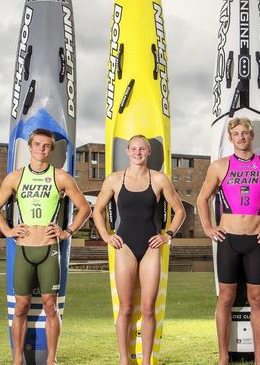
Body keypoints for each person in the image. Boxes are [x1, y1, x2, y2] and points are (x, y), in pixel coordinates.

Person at [0, 128, 91, 365]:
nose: (41, 149)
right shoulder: (15, 177)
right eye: (37, 145)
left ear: (50, 150)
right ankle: (17, 360)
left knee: (50, 306)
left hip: (49, 249)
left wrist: (67, 232)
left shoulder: (61, 177)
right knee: (21, 306)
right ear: (30, 147)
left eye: (46, 146)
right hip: (23, 248)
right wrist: (8, 231)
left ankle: (51, 359)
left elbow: (85, 208)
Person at [197, 117, 260, 365]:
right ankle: (223, 357)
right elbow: (201, 199)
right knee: (225, 298)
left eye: (245, 133)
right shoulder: (219, 166)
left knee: (257, 300)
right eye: (236, 133)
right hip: (228, 239)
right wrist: (208, 227)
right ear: (230, 138)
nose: (241, 137)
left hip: (256, 241)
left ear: (252, 136)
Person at [92, 134, 186, 365]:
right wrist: (106, 236)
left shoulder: (159, 179)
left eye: (142, 149)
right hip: (124, 246)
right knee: (125, 308)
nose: (138, 152)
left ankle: (146, 362)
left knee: (148, 309)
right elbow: (97, 211)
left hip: (151, 247)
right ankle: (124, 360)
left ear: (148, 152)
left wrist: (167, 236)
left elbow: (180, 211)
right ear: (127, 151)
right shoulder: (114, 179)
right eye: (134, 149)